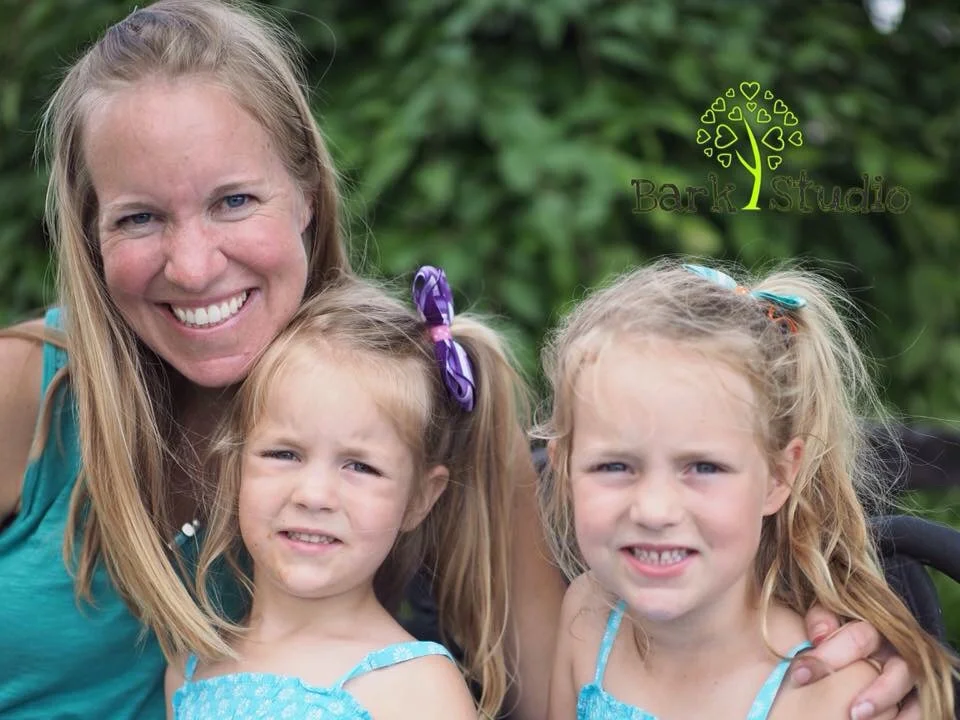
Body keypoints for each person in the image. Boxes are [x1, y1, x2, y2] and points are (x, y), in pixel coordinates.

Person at [0, 0, 921, 717]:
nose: (194, 264)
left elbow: (583, 674)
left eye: (234, 201)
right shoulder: (28, 391)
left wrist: (837, 656)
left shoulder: (418, 401)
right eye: (139, 218)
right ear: (88, 233)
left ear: (308, 195)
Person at [537, 260, 958, 720]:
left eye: (704, 467)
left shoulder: (828, 699)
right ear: (565, 469)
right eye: (614, 466)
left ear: (778, 477)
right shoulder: (588, 616)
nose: (654, 510)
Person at [164, 268, 522, 719]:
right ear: (233, 466)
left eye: (360, 467)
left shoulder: (417, 689)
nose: (313, 495)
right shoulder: (191, 672)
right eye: (283, 454)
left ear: (420, 499)